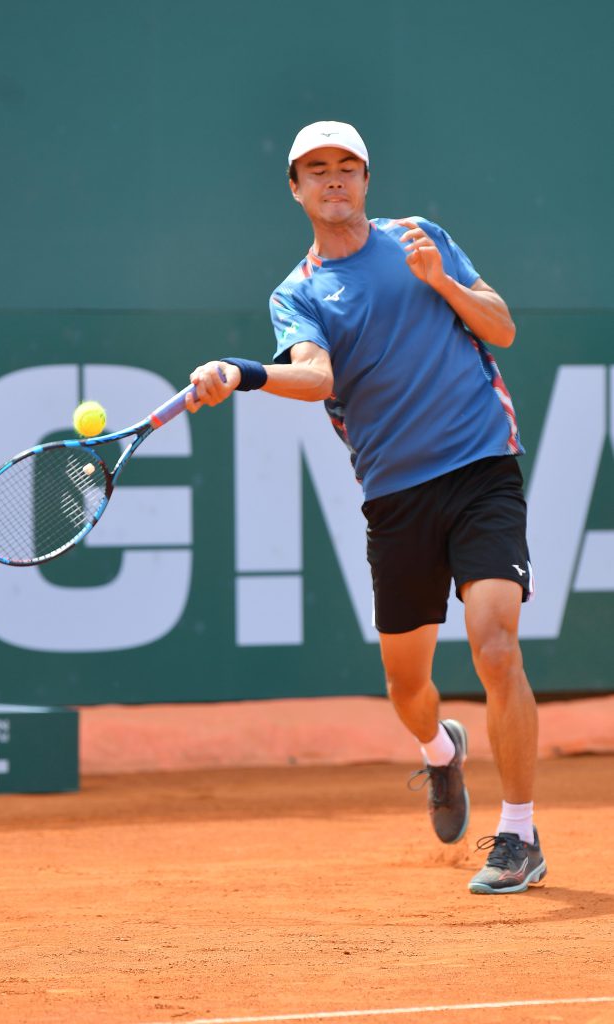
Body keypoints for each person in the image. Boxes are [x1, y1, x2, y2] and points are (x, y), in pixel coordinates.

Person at [186, 121, 547, 895]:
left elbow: (502, 327)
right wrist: (241, 371)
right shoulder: (299, 293)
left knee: (495, 643)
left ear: (366, 178)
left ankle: (517, 833)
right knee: (407, 689)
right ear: (296, 189)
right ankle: (440, 753)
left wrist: (442, 281)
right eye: (316, 170)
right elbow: (315, 379)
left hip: (481, 466)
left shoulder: (421, 238)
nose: (334, 180)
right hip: (394, 496)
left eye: (347, 166)